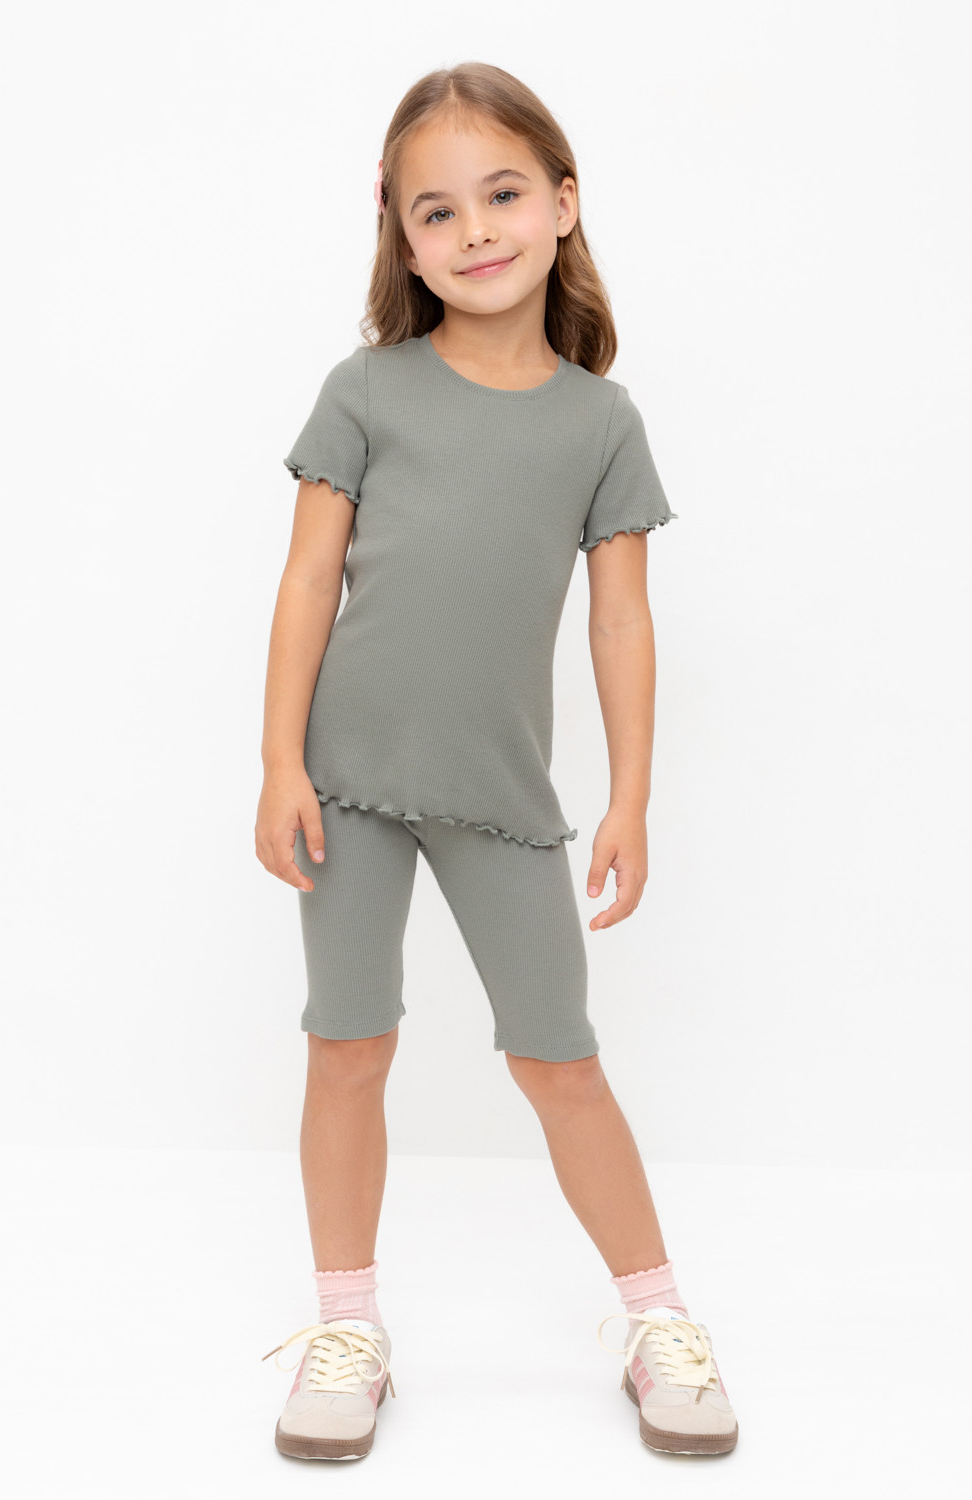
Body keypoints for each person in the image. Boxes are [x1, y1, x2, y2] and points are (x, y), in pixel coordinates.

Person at [255, 61, 739, 1463]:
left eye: (504, 195)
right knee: (348, 1046)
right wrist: (279, 762)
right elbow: (306, 583)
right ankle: (347, 1328)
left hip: (504, 798)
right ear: (401, 239)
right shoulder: (365, 391)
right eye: (437, 211)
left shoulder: (601, 423)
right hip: (346, 783)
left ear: (564, 204)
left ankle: (658, 1317)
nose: (475, 230)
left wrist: (630, 797)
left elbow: (621, 619)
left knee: (559, 1061)